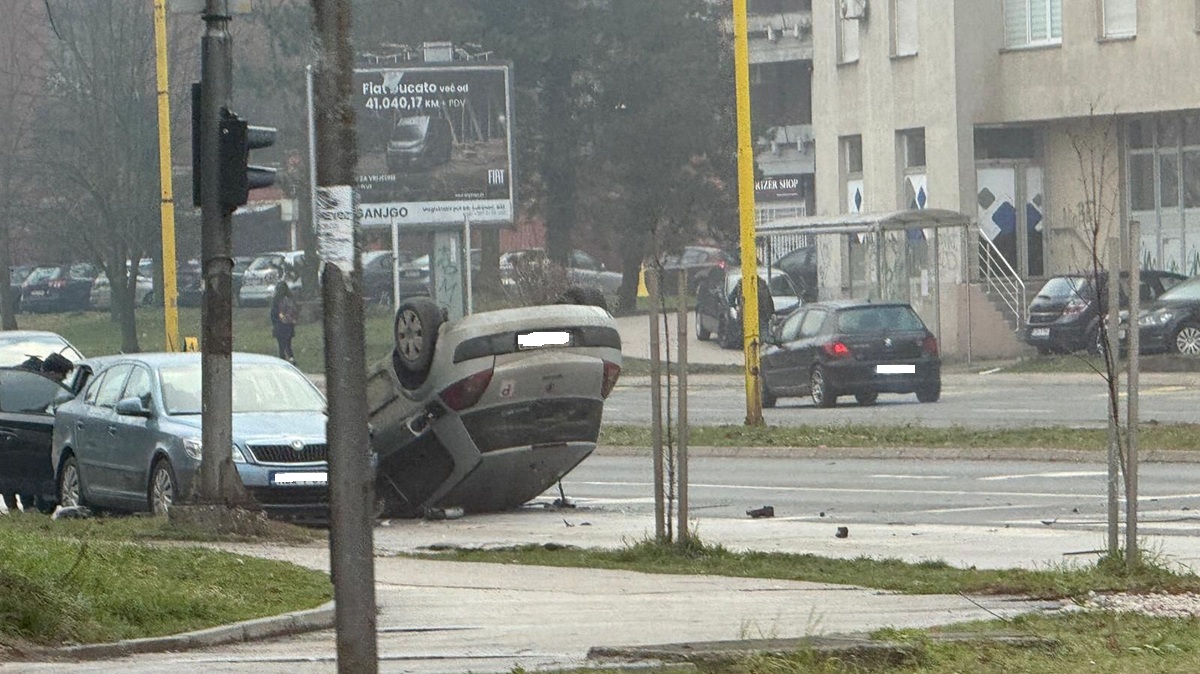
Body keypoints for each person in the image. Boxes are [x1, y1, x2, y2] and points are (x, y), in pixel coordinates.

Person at [270, 281, 299, 363]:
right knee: (288, 344)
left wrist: (275, 323)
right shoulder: (290, 299)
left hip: (279, 325)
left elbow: (273, 314)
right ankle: (291, 358)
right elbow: (295, 312)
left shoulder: (276, 300)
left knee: (281, 345)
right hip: (289, 325)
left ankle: (282, 359)